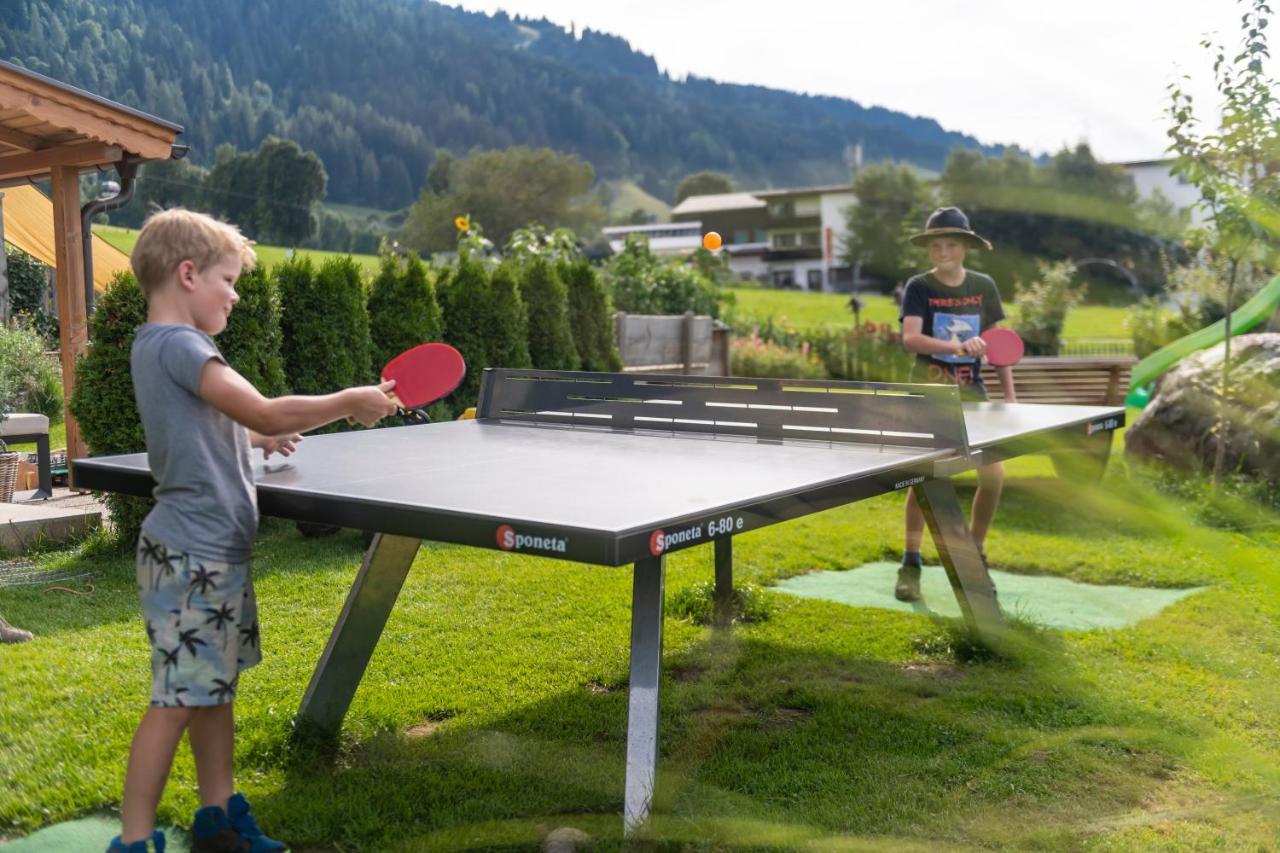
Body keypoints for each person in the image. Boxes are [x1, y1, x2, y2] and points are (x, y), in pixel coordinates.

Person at [110, 209, 398, 853]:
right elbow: (264, 404)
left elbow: (226, 422)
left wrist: (257, 436)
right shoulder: (184, 345)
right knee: (178, 700)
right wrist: (349, 401)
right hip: (193, 555)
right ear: (188, 274)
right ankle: (133, 842)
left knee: (212, 690)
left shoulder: (153, 345)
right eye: (228, 279)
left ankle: (218, 818)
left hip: (206, 551)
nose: (235, 293)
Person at [895, 207, 1015, 602]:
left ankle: (973, 555)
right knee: (926, 481)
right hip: (930, 395)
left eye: (950, 244)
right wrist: (955, 346)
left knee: (993, 476)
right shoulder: (919, 287)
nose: (942, 251)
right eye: (935, 245)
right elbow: (911, 339)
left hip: (973, 396)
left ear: (965, 247)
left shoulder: (984, 286)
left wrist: (1009, 397)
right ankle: (910, 562)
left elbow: (998, 347)